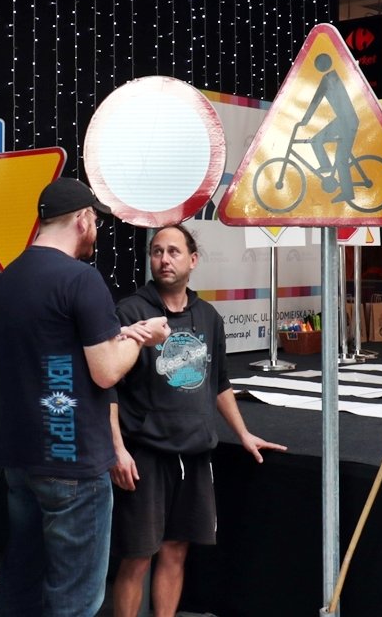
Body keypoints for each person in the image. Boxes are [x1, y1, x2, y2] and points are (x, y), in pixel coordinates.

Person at [0, 177, 171, 617]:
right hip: (72, 460)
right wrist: (143, 338)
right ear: (82, 220)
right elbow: (106, 370)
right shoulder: (81, 279)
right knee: (75, 598)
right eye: (95, 222)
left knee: (23, 582)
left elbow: (54, 344)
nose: (96, 231)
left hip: (20, 455)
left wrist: (117, 334)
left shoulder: (12, 275)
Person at [109, 223, 286, 617]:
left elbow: (219, 383)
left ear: (193, 260)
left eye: (173, 251)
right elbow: (107, 387)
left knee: (175, 551)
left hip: (194, 454)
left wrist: (243, 433)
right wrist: (116, 450)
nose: (164, 259)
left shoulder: (208, 316)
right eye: (157, 251)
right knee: (137, 557)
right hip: (146, 454)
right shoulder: (131, 312)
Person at [298, 52, 359, 203]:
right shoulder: (332, 77)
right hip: (344, 121)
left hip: (347, 122)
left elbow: (315, 101)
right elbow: (316, 100)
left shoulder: (329, 79)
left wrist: (305, 121)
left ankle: (347, 193)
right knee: (316, 140)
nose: (319, 66)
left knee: (341, 160)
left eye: (319, 64)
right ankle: (325, 166)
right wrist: (305, 121)